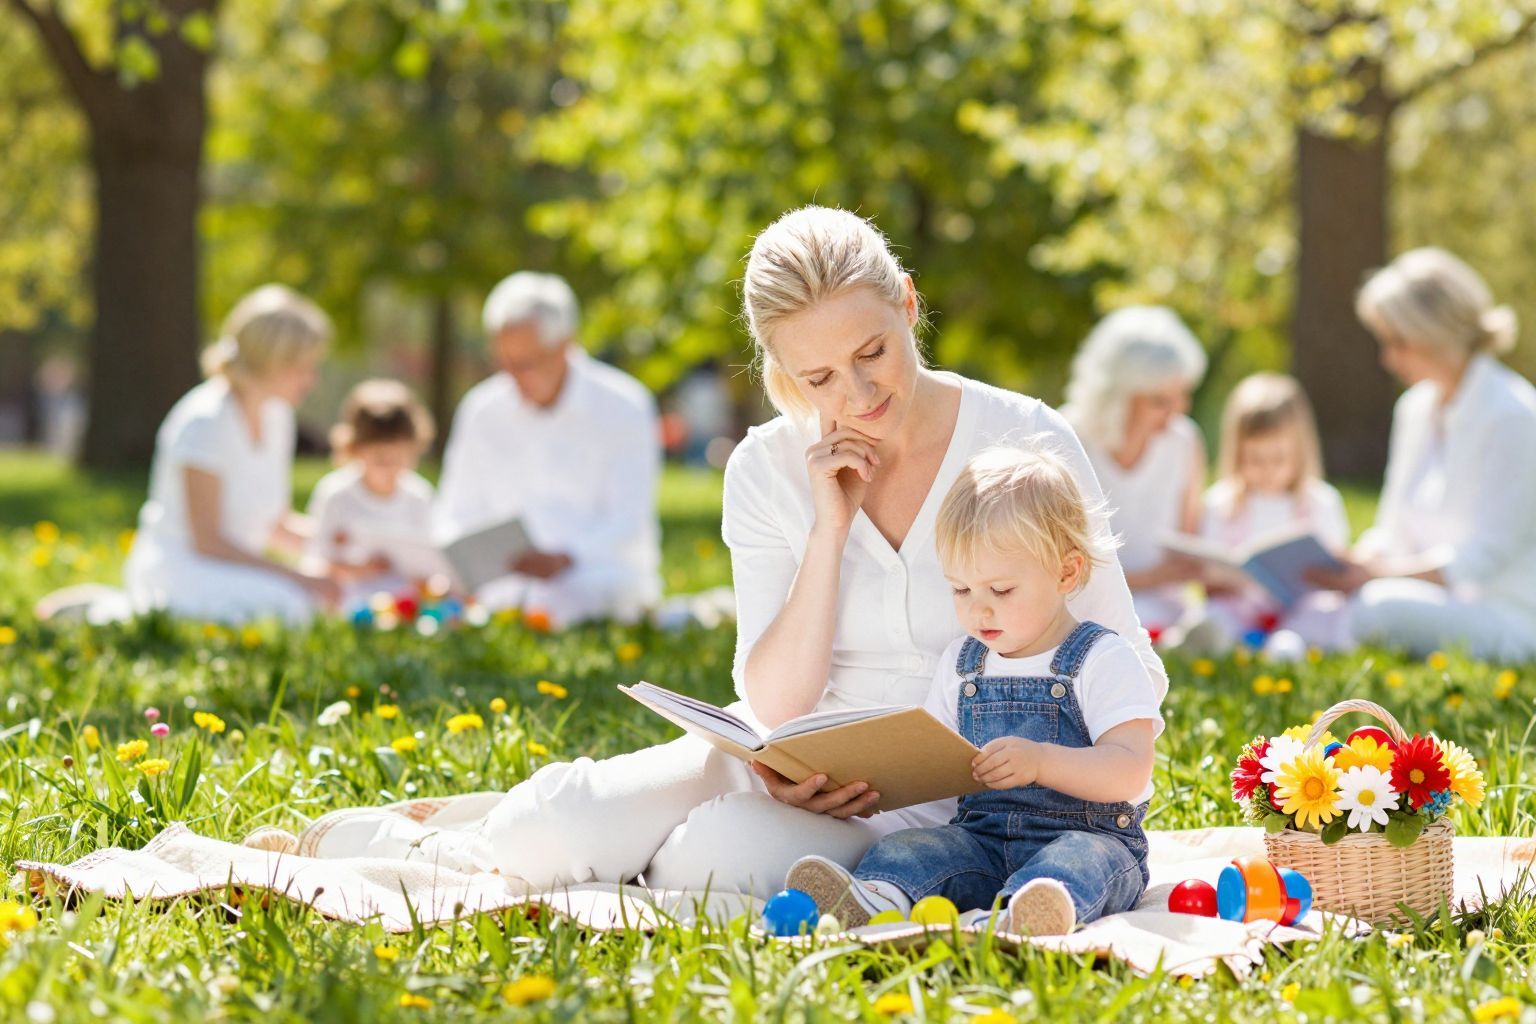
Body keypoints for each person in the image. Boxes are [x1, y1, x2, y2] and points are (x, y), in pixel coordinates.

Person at [292, 207, 1165, 898]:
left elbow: (1121, 660)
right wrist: (829, 530)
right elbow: (774, 701)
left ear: (906, 301)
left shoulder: (1024, 438)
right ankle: (425, 838)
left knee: (711, 865)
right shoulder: (765, 465)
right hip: (797, 761)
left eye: (872, 354)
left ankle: (585, 846)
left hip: (960, 809)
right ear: (779, 369)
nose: (856, 397)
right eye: (817, 379)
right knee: (546, 838)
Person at [787, 444, 1161, 936]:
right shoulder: (964, 664)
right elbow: (935, 757)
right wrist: (872, 771)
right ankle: (876, 897)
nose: (977, 611)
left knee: (1082, 862)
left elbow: (1130, 771)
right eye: (960, 590)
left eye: (1000, 591)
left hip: (1089, 835)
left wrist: (1043, 761)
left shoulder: (1100, 658)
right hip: (982, 839)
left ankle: (1024, 916)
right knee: (917, 847)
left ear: (1066, 572)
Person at [1308, 248, 1536, 660]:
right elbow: (1393, 527)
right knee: (1341, 599)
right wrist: (1356, 562)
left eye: (1399, 342)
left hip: (1505, 614)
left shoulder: (1515, 415)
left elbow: (1481, 559)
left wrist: (1374, 574)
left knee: (1379, 605)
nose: (1387, 358)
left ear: (1437, 333)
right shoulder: (1414, 408)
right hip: (1428, 596)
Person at [435, 272, 661, 627]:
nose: (511, 377)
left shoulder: (623, 406)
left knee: (560, 599)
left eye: (524, 364)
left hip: (596, 573)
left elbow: (628, 523)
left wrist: (566, 557)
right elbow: (455, 511)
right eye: (503, 362)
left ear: (565, 347)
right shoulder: (482, 408)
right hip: (505, 581)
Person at [122, 285, 338, 624]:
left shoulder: (277, 415)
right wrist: (296, 577)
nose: (312, 378)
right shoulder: (206, 421)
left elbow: (275, 524)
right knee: (294, 606)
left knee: (340, 593)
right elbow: (207, 540)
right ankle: (112, 609)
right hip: (185, 568)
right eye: (303, 366)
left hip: (236, 567)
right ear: (272, 362)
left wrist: (342, 545)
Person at [1060, 307, 1208, 636]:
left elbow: (1188, 544)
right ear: (1116, 397)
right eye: (1160, 400)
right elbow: (1056, 564)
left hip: (1164, 604)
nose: (1178, 410)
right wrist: (1151, 577)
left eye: (1181, 395)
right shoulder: (1067, 437)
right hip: (1083, 604)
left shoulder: (1184, 441)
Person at [1195, 373, 1351, 654]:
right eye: (1254, 459)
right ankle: (1214, 638)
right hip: (1240, 608)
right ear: (1236, 454)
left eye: (1279, 458)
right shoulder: (1221, 503)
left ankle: (1287, 645)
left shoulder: (1320, 502)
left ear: (1300, 452)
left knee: (1322, 614)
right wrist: (1225, 579)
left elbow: (1335, 569)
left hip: (1299, 609)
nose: (1267, 470)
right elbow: (1208, 580)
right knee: (1214, 616)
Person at [305, 379, 436, 606]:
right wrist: (361, 569)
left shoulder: (419, 496)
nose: (389, 469)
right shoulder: (336, 494)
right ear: (355, 450)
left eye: (398, 459)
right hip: (352, 597)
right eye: (379, 460)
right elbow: (317, 559)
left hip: (405, 600)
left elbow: (431, 561)